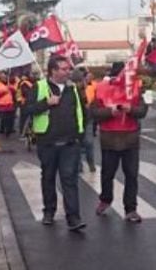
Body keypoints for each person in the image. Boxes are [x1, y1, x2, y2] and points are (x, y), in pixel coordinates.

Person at [24, 55, 87, 231]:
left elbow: (81, 112)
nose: (68, 71)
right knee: (48, 178)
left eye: (69, 69)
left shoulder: (72, 89)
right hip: (48, 142)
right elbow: (26, 110)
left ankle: (73, 218)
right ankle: (49, 211)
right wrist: (46, 103)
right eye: (64, 69)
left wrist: (79, 136)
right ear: (53, 71)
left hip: (69, 143)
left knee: (69, 179)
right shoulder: (40, 87)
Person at [90, 64, 148, 223]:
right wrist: (110, 112)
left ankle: (131, 209)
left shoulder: (135, 88)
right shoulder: (101, 88)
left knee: (131, 175)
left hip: (130, 139)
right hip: (109, 139)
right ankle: (105, 199)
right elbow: (94, 112)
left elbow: (142, 111)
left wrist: (131, 110)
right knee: (107, 174)